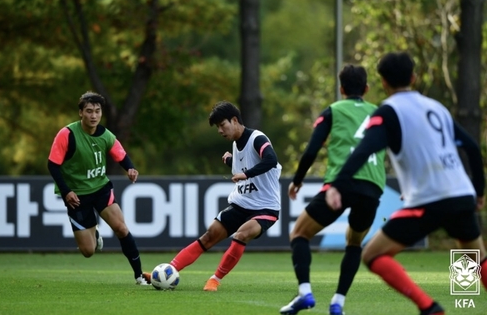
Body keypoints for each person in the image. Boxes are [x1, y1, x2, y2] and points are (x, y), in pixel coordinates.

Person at [326, 52, 487, 315]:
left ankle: (429, 307)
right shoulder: (437, 107)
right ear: (413, 77)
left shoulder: (388, 112)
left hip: (430, 199)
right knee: (478, 258)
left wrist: (337, 184)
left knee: (372, 255)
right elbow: (471, 147)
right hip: (460, 195)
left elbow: (364, 150)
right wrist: (479, 191)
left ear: (383, 83)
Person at [279, 65, 386, 315]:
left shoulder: (333, 111)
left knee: (299, 235)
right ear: (367, 89)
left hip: (340, 185)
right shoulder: (380, 113)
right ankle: (338, 303)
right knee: (354, 242)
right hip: (372, 188)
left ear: (341, 89)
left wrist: (297, 180)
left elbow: (312, 150)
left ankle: (305, 293)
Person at [169, 100, 282, 291]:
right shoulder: (236, 145)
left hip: (265, 207)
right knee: (209, 236)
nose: (220, 131)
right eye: (218, 127)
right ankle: (169, 271)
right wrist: (231, 161)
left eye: (222, 125)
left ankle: (215, 279)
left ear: (235, 120)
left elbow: (271, 160)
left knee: (241, 234)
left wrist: (245, 174)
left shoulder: (257, 138)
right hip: (241, 204)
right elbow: (245, 165)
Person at [47, 91, 150, 285]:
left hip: (101, 189)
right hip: (76, 196)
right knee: (88, 251)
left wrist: (130, 168)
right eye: (89, 111)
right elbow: (53, 164)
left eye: (97, 111)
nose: (93, 116)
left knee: (121, 228)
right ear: (80, 113)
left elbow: (120, 154)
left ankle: (139, 275)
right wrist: (66, 191)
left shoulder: (105, 134)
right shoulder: (67, 134)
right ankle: (94, 233)